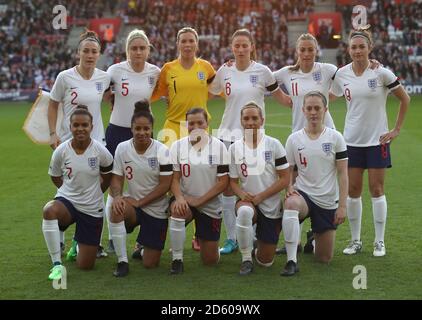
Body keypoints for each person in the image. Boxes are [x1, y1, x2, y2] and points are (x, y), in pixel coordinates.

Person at [208, 28, 291, 255]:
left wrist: (305, 100)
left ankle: (252, 235)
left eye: (245, 45)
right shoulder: (224, 70)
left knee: (252, 185)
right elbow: (207, 90)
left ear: (252, 46)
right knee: (226, 189)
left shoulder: (263, 71)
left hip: (255, 139)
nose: (241, 49)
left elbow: (282, 98)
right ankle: (232, 238)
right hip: (226, 137)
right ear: (232, 48)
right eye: (237, 45)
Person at [331, 28, 410, 257]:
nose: (357, 51)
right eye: (353, 47)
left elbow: (404, 99)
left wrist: (395, 130)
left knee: (377, 189)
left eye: (361, 47)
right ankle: (355, 240)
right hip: (351, 141)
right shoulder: (342, 74)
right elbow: (329, 97)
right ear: (348, 49)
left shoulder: (382, 73)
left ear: (369, 48)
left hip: (377, 141)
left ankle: (379, 241)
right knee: (353, 191)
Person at [151, 27, 216, 251]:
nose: (187, 45)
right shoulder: (168, 69)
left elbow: (216, 88)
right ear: (177, 44)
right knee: (169, 181)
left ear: (197, 44)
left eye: (191, 41)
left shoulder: (206, 68)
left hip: (200, 129)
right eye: (183, 41)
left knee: (202, 177)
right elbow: (156, 93)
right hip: (172, 129)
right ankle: (164, 233)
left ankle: (200, 234)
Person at [47, 30, 111, 258]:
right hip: (67, 140)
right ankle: (61, 240)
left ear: (99, 54)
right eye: (86, 50)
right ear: (78, 53)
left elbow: (115, 96)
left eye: (94, 51)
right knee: (65, 188)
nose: (90, 55)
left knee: (96, 192)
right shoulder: (65, 77)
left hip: (97, 142)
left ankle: (89, 240)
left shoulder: (104, 77)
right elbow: (53, 104)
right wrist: (53, 133)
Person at [104, 29, 160, 255]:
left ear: (148, 50)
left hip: (144, 133)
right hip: (117, 131)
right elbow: (105, 94)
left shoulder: (155, 72)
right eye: (133, 48)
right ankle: (112, 235)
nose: (138, 52)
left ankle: (143, 239)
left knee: (147, 182)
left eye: (142, 48)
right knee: (112, 183)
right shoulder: (115, 70)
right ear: (127, 50)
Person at [42, 106, 113, 281]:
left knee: (85, 266)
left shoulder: (100, 151)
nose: (80, 129)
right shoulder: (61, 150)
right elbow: (55, 176)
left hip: (91, 208)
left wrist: (95, 193)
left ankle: (76, 243)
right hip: (68, 203)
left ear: (91, 126)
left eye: (84, 125)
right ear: (70, 126)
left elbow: (108, 176)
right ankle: (56, 264)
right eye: (76, 125)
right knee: (49, 210)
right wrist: (67, 192)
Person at [108, 100, 173, 277]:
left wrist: (140, 202)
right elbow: (116, 178)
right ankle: (122, 261)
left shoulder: (162, 150)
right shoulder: (122, 148)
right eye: (138, 129)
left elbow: (165, 185)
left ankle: (142, 248)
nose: (142, 133)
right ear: (131, 128)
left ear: (152, 129)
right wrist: (118, 196)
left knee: (150, 264)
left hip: (156, 210)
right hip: (133, 207)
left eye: (146, 129)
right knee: (116, 209)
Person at [284, 91, 348, 265]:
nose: (313, 112)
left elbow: (343, 173)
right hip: (303, 195)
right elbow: (287, 171)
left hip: (327, 200)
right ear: (303, 110)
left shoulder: (336, 138)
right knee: (291, 204)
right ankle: (291, 260)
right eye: (309, 108)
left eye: (317, 108)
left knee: (324, 259)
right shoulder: (293, 139)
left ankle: (313, 239)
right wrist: (289, 187)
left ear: (325, 110)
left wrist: (342, 206)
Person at [228, 103, 292, 276]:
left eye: (254, 118)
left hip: (270, 204)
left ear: (262, 120)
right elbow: (232, 182)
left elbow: (285, 178)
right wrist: (242, 194)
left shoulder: (274, 144)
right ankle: (246, 259)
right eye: (246, 118)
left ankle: (257, 245)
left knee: (266, 262)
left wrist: (261, 196)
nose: (250, 122)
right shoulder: (234, 148)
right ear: (241, 121)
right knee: (244, 213)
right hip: (247, 201)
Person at [168, 108, 229, 274]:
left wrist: (200, 201)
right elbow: (174, 179)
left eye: (200, 122)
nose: (196, 126)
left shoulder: (219, 147)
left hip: (209, 205)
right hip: (185, 201)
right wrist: (179, 198)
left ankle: (204, 237)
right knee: (178, 211)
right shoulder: (177, 146)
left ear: (207, 123)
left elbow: (223, 182)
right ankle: (177, 259)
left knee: (210, 261)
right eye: (191, 123)